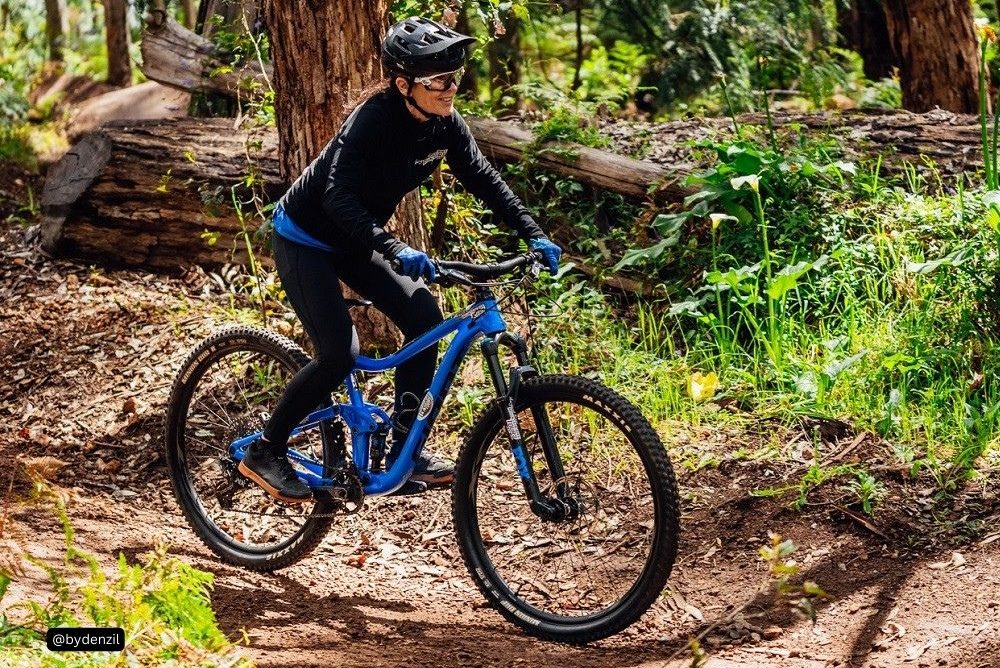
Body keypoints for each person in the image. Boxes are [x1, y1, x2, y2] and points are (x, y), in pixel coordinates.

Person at [238, 16, 562, 503]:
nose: (452, 89)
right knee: (337, 354)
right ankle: (266, 448)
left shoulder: (446, 126)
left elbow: (486, 181)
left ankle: (399, 458)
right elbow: (336, 197)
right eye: (441, 81)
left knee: (425, 320)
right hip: (305, 238)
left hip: (355, 240)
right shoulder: (373, 120)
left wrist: (534, 234)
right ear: (403, 84)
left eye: (457, 78)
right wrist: (394, 247)